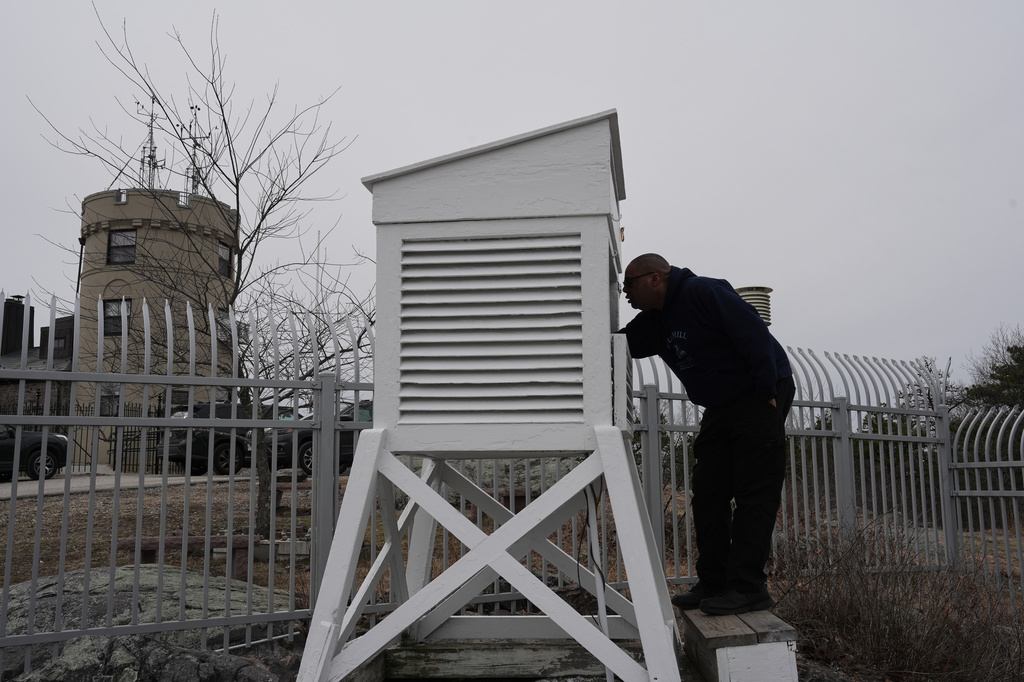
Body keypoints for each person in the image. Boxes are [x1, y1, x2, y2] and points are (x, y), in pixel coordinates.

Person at [618, 253, 794, 616]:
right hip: (721, 405)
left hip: (759, 393)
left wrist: (766, 393)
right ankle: (714, 581)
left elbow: (753, 332)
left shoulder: (702, 292)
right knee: (708, 492)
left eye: (629, 284)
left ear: (655, 278)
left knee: (753, 492)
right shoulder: (653, 322)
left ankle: (748, 588)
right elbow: (618, 344)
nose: (625, 293)